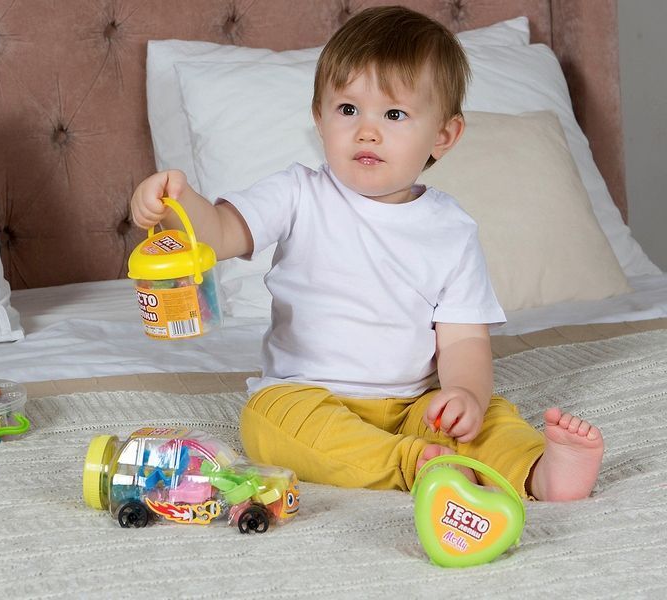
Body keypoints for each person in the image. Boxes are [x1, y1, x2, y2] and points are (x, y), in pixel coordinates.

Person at [130, 6, 603, 501]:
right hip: (309, 392)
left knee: (488, 417)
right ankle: (411, 464)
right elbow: (220, 233)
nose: (367, 131)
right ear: (319, 117)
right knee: (268, 420)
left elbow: (463, 340)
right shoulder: (297, 193)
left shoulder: (452, 230)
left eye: (394, 114)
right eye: (348, 109)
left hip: (416, 404)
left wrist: (464, 395)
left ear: (443, 136)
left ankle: (540, 470)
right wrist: (176, 203)